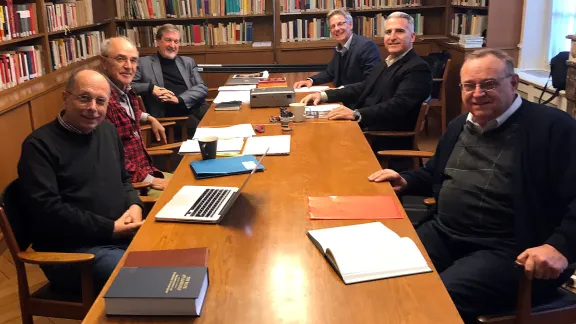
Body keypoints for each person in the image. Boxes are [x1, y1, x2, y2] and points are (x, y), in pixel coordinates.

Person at [368, 48, 576, 323]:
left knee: (432, 301)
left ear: (513, 83)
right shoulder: (459, 125)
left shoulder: (553, 127)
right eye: (469, 86)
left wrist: (560, 246)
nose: (477, 93)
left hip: (511, 249)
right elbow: (435, 173)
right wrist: (406, 179)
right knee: (378, 274)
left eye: (488, 84)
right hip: (445, 234)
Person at [17, 69, 144, 294]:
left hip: (119, 235)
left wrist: (134, 205)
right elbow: (48, 211)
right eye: (84, 98)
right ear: (66, 98)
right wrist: (111, 228)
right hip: (72, 252)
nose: (93, 108)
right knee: (140, 277)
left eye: (100, 101)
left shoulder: (107, 130)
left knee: (171, 253)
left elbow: (124, 179)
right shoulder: (38, 146)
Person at [301, 11, 432, 155]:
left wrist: (357, 114)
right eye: (388, 32)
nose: (392, 37)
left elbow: (397, 106)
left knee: (320, 146)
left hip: (381, 138)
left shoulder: (417, 68)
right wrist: (324, 95)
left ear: (412, 37)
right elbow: (363, 87)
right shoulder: (388, 62)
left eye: (399, 31)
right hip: (367, 126)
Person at [101, 36, 171, 192]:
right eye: (121, 59)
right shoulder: (101, 102)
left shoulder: (126, 90)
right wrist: (150, 181)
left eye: (133, 61)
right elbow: (112, 158)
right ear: (103, 62)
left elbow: (128, 113)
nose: (128, 66)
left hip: (147, 172)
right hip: (133, 186)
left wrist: (148, 118)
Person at [131, 23, 209, 137]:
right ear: (158, 42)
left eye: (176, 41)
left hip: (193, 106)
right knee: (202, 132)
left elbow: (202, 87)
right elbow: (129, 86)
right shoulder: (143, 63)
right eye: (168, 40)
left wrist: (179, 99)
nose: (172, 45)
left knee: (223, 121)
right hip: (171, 117)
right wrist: (150, 88)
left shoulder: (187, 62)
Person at [292, 8, 380, 93]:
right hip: (344, 97)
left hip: (359, 102)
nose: (336, 29)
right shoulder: (340, 48)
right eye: (332, 26)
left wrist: (339, 91)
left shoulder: (366, 46)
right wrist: (311, 80)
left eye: (340, 24)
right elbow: (330, 73)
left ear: (350, 25)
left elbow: (370, 83)